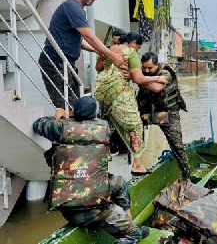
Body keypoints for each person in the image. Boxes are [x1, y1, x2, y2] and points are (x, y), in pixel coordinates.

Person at [33, 96, 150, 243]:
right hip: (93, 210)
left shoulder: (60, 127)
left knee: (119, 182)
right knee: (134, 237)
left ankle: (130, 225)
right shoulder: (104, 128)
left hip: (67, 208)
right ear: (94, 115)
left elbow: (38, 125)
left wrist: (57, 117)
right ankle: (131, 231)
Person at [38, 0, 128, 119]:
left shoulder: (77, 9)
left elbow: (80, 41)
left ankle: (77, 136)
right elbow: (89, 36)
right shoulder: (72, 7)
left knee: (76, 107)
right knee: (63, 108)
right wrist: (113, 56)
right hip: (54, 61)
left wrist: (102, 52)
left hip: (66, 63)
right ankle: (66, 138)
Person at [95, 33, 167, 176]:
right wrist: (159, 78)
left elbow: (98, 68)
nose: (137, 50)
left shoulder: (110, 50)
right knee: (136, 125)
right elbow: (140, 79)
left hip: (103, 95)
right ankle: (137, 164)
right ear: (133, 43)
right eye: (138, 47)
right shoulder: (130, 54)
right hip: (120, 95)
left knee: (116, 122)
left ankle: (117, 150)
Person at [136, 51, 190, 180]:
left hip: (168, 112)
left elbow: (156, 88)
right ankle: (137, 165)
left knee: (177, 146)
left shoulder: (166, 72)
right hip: (147, 111)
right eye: (144, 68)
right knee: (132, 132)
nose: (147, 70)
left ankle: (187, 176)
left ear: (157, 65)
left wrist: (138, 79)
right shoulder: (141, 73)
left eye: (150, 68)